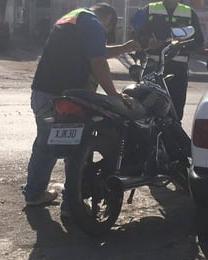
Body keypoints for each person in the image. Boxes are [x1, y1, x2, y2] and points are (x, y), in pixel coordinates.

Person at [23, 3, 140, 216]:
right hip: (69, 99)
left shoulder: (73, 18)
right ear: (109, 21)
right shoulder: (94, 24)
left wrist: (126, 48)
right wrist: (114, 95)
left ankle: (34, 194)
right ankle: (71, 205)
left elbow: (96, 50)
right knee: (77, 149)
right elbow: (98, 60)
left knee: (45, 145)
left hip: (43, 93)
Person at [132, 0, 204, 121]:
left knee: (175, 109)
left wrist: (181, 45)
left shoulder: (189, 13)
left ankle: (173, 136)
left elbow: (199, 42)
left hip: (178, 67)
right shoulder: (149, 9)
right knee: (146, 108)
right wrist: (147, 42)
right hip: (152, 65)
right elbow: (135, 35)